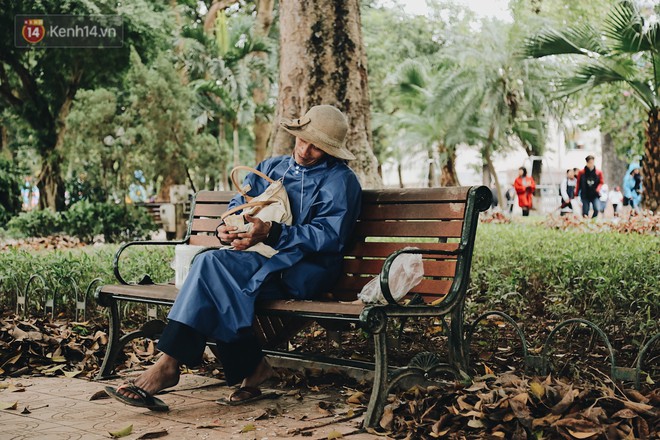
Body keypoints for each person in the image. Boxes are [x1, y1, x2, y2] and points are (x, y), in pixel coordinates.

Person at [104, 105, 362, 409]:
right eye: (302, 139)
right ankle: (243, 368)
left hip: (301, 269)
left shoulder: (340, 181)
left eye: (317, 147)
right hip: (254, 258)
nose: (305, 150)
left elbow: (330, 237)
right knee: (211, 266)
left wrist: (273, 232)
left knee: (210, 267)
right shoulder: (273, 167)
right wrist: (225, 228)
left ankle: (172, 366)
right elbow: (238, 206)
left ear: (331, 150)